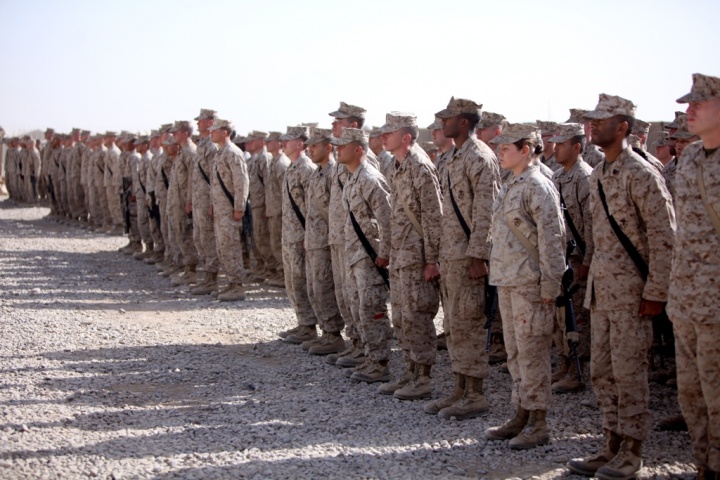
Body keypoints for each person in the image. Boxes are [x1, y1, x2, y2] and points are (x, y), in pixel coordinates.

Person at [568, 94, 676, 480]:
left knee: (630, 373)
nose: (593, 126)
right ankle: (610, 443)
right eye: (591, 121)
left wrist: (655, 292)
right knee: (603, 372)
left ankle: (632, 449)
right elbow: (598, 238)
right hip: (602, 292)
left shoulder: (642, 174)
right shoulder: (600, 175)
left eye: (602, 120)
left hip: (633, 293)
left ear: (624, 127)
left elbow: (664, 236)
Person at [483, 123, 566, 449]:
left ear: (527, 150)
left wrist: (550, 286)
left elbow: (553, 240)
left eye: (507, 147)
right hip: (509, 281)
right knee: (516, 354)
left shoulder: (537, 186)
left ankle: (539, 421)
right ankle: (521, 413)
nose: (500, 151)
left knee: (533, 354)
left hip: (531, 285)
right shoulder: (511, 184)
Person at [424, 97, 500, 420]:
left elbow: (487, 210)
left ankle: (476, 394)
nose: (443, 124)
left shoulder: (479, 157)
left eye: (449, 119)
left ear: (465, 122)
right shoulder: (453, 156)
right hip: (451, 256)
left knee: (469, 322)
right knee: (453, 324)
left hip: (468, 257)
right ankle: (459, 387)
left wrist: (479, 255)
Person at [666, 73, 720, 480]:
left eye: (700, 103)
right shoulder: (689, 158)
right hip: (686, 299)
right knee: (692, 395)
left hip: (716, 304)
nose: (690, 110)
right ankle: (704, 467)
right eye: (689, 103)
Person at [376, 112, 442, 400]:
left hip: (417, 257)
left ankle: (424, 377)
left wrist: (432, 260)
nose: (382, 137)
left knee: (417, 317)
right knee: (401, 318)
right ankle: (411, 371)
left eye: (388, 133)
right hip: (402, 255)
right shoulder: (397, 165)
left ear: (405, 137)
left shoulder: (420, 166)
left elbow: (433, 216)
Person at [332, 127, 392, 383]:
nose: (337, 150)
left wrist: (385, 253)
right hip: (355, 255)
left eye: (342, 146)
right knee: (358, 308)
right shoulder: (353, 178)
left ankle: (380, 362)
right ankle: (369, 356)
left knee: (372, 308)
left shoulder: (370, 178)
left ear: (358, 148)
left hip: (369, 257)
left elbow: (387, 219)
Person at [549, 123, 594, 394]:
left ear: (576, 147)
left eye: (561, 144)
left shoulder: (584, 177)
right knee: (562, 315)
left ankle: (578, 370)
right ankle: (565, 362)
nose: (555, 149)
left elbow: (590, 223)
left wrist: (587, 260)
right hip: (562, 258)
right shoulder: (557, 177)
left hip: (578, 259)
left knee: (578, 318)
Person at [302, 128, 346, 355]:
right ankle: (326, 332)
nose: (310, 149)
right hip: (314, 240)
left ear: (328, 147)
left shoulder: (333, 173)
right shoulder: (316, 173)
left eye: (315, 145)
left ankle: (334, 334)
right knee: (314, 288)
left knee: (325, 287)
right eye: (309, 145)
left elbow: (336, 212)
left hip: (327, 241)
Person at [277, 126, 319, 343]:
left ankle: (310, 326)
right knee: (293, 280)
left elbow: (313, 209)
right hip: (290, 235)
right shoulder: (292, 168)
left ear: (300, 144)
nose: (283, 143)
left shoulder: (306, 169)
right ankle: (302, 322)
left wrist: (308, 236)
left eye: (288, 140)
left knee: (302, 280)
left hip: (302, 236)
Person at [209, 119, 249, 301]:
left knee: (231, 247)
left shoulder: (233, 152)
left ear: (225, 132)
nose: (211, 133)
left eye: (214, 130)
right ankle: (230, 283)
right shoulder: (220, 153)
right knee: (223, 247)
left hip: (230, 209)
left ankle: (237, 286)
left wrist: (239, 207)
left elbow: (241, 181)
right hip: (221, 209)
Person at [188, 109, 220, 294]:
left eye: (201, 121)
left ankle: (211, 280)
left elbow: (216, 178)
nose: (198, 124)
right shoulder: (202, 145)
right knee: (200, 239)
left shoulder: (212, 146)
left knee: (208, 239)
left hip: (207, 201)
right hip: (199, 200)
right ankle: (206, 277)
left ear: (210, 122)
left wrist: (212, 203)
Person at [168, 120, 199, 286]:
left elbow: (193, 181)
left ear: (186, 133)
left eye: (176, 132)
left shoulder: (191, 152)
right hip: (176, 202)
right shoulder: (182, 152)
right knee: (179, 235)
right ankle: (184, 269)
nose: (173, 135)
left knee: (186, 236)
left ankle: (191, 271)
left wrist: (189, 202)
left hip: (184, 203)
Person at [264, 131, 290, 288]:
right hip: (274, 210)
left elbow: (285, 191)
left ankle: (283, 275)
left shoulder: (281, 163)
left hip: (280, 212)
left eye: (270, 141)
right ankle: (280, 273)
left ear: (279, 143)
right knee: (274, 243)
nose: (267, 144)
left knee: (279, 244)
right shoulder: (274, 162)